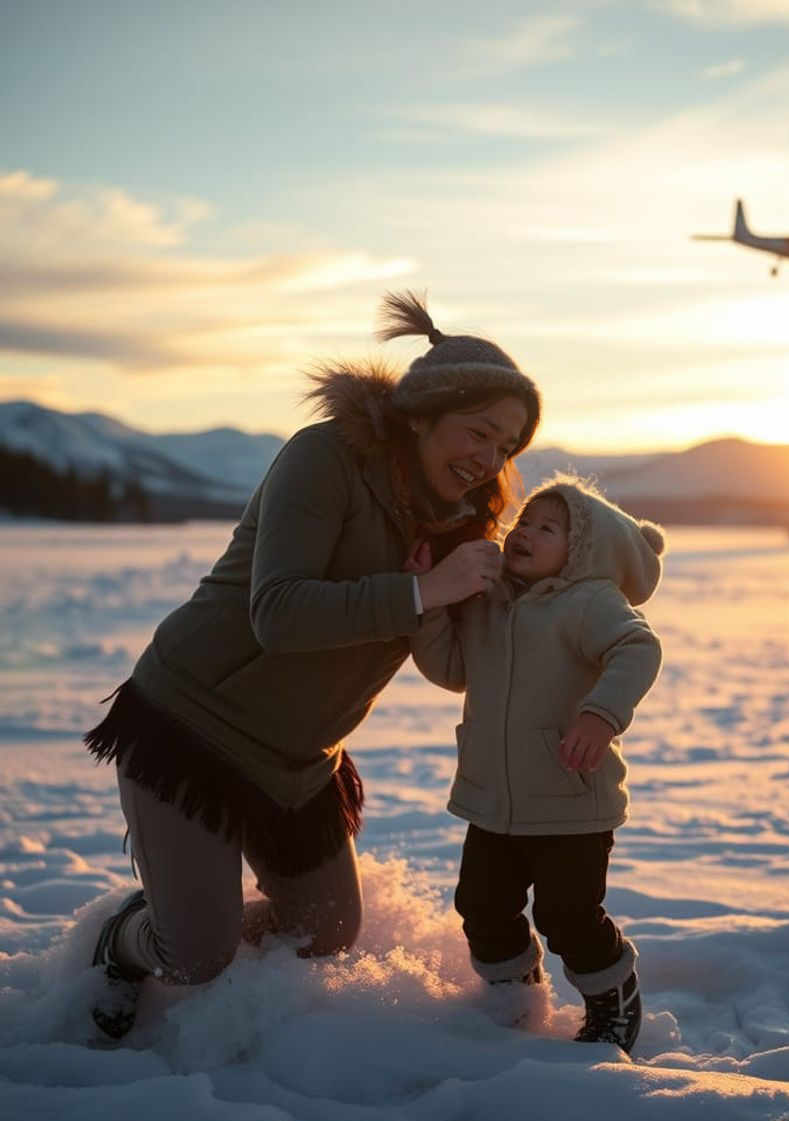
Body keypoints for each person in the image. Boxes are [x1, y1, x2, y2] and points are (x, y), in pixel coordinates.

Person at [83, 289, 541, 1039]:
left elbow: (450, 666)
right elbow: (280, 613)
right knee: (193, 957)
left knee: (326, 930)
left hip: (300, 760)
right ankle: (129, 939)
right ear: (421, 413)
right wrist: (421, 590)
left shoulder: (463, 525)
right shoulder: (323, 457)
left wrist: (541, 623)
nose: (489, 459)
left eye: (506, 447)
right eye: (479, 433)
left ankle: (201, 925)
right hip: (191, 726)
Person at [409, 475, 665, 1052]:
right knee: (480, 907)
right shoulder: (489, 599)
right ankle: (514, 995)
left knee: (567, 915)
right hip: (492, 798)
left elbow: (638, 648)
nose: (524, 532)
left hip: (569, 800)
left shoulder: (590, 601)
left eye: (547, 528)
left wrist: (600, 715)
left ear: (581, 552)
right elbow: (453, 668)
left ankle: (612, 997)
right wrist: (428, 602)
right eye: (524, 521)